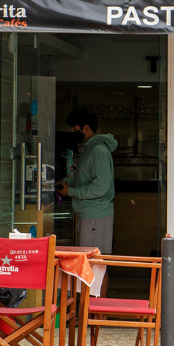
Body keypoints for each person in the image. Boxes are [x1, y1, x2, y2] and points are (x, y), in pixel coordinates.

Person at [58, 108, 117, 254]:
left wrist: (71, 191)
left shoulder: (98, 150)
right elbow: (85, 179)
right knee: (91, 265)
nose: (72, 132)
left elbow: (100, 187)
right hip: (90, 215)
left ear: (86, 128)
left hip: (96, 216)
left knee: (96, 265)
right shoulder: (90, 148)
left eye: (75, 128)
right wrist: (67, 185)